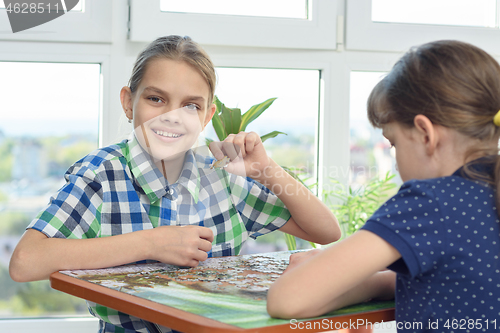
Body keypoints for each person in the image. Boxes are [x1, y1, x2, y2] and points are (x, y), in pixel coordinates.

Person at [9, 35, 341, 333]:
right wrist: (150, 244)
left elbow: (326, 231)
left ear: (207, 116)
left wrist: (267, 170)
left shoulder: (219, 174)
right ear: (129, 102)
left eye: (190, 105)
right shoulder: (103, 173)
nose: (172, 116)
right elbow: (26, 262)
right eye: (156, 99)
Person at [267, 40, 500, 331]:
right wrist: (375, 282)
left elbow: (286, 300)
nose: (395, 156)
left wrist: (338, 278)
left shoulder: (429, 202)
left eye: (393, 143)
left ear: (425, 134)